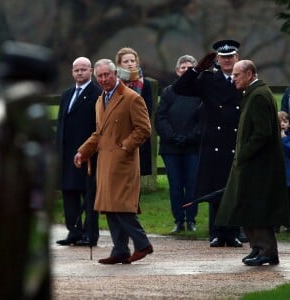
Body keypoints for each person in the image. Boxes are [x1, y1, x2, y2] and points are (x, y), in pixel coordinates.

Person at [74, 58, 153, 264]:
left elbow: (144, 129)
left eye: (106, 75)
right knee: (108, 206)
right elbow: (99, 133)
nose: (103, 79)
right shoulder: (101, 100)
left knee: (121, 206)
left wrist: (124, 147)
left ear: (115, 74)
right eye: (99, 76)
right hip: (105, 162)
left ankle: (142, 244)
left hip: (123, 163)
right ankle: (120, 250)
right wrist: (83, 152)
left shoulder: (131, 98)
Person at [216, 60, 289, 266]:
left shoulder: (258, 95)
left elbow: (262, 133)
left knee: (257, 207)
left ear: (249, 73)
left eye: (237, 75)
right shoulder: (253, 93)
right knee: (246, 206)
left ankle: (267, 250)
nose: (233, 78)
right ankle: (257, 247)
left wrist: (243, 154)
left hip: (259, 165)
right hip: (252, 164)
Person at [172, 40, 243, 247]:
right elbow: (179, 87)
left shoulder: (244, 78)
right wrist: (196, 69)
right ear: (217, 60)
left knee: (234, 189)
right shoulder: (208, 79)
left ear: (237, 58)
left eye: (231, 56)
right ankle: (216, 232)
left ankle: (234, 232)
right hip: (214, 140)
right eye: (224, 57)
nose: (228, 60)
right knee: (215, 188)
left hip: (235, 139)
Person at [56, 57, 101, 246]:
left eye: (83, 69)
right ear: (72, 72)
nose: (80, 73)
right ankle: (73, 231)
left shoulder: (97, 94)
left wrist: (89, 149)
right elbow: (61, 123)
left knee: (88, 194)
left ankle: (90, 234)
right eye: (76, 70)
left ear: (90, 70)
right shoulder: (66, 94)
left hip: (87, 153)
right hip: (67, 154)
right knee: (69, 193)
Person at [155, 55, 201, 233]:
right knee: (175, 186)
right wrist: (173, 136)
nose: (186, 71)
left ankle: (191, 219)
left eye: (190, 68)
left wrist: (189, 137)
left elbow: (203, 119)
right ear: (177, 71)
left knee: (191, 185)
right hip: (171, 147)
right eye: (183, 68)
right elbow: (161, 117)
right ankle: (178, 220)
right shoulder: (168, 92)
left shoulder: (201, 92)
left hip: (193, 146)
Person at [115, 47, 153, 176]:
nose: (130, 63)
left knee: (135, 177)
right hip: (117, 133)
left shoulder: (145, 84)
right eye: (126, 61)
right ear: (119, 64)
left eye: (132, 60)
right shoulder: (114, 84)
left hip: (137, 134)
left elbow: (148, 110)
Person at [278, 111, 290, 232]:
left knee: (289, 200)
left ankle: (288, 223)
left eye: (285, 122)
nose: (283, 124)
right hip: (279, 174)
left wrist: (284, 140)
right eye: (280, 122)